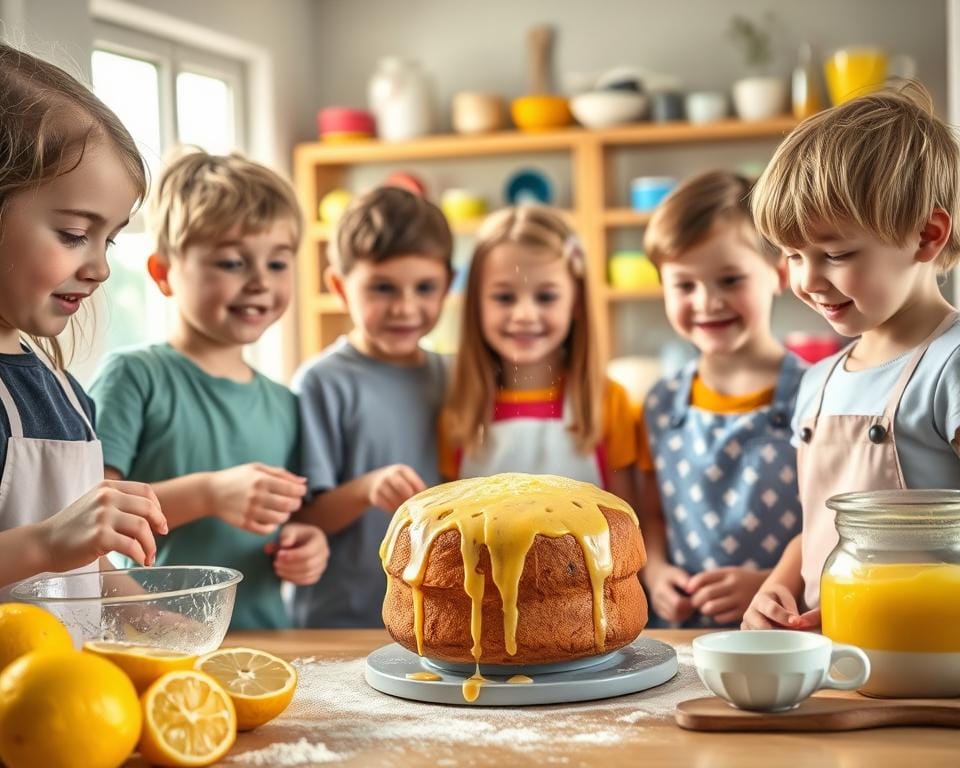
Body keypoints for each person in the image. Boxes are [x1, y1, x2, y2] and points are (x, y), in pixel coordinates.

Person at [742, 82, 960, 630]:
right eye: (792, 255)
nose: (808, 279)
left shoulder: (949, 366)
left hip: (926, 656)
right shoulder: (818, 382)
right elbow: (820, 526)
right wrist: (778, 586)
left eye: (836, 253)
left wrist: (877, 610)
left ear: (927, 236)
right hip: (835, 658)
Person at [89, 151, 328, 629]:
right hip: (150, 638)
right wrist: (209, 494)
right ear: (162, 273)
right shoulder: (134, 376)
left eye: (278, 263)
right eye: (233, 262)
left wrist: (306, 544)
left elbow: (296, 518)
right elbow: (90, 510)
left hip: (269, 645)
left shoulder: (287, 403)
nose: (261, 282)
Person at [0, 43, 165, 593]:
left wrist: (155, 622)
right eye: (74, 234)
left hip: (72, 681)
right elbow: (55, 545)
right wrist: (47, 541)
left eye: (108, 240)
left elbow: (84, 564)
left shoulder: (66, 393)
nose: (99, 268)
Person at [636, 171, 805, 628]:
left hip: (783, 633)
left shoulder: (816, 392)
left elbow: (831, 523)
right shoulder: (662, 403)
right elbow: (651, 514)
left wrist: (774, 582)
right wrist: (655, 573)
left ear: (779, 274)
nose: (707, 302)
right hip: (684, 639)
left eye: (730, 279)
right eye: (685, 285)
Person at [292, 185, 453, 627]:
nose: (405, 307)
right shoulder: (322, 382)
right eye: (382, 288)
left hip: (437, 619)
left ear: (448, 285)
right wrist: (366, 489)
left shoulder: (454, 377)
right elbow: (305, 516)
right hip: (341, 619)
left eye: (425, 287)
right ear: (340, 288)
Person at [440, 205, 636, 500]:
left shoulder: (607, 403)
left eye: (545, 296)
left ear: (576, 302)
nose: (525, 314)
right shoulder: (458, 411)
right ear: (475, 306)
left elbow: (628, 524)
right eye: (504, 297)